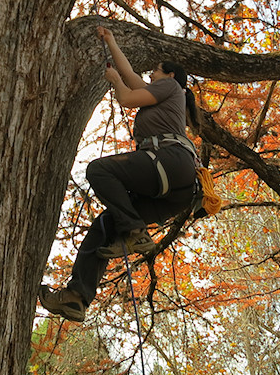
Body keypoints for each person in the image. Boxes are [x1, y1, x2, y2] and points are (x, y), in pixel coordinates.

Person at [38, 25, 200, 322]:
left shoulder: (173, 87)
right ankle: (76, 296)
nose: (150, 75)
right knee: (105, 225)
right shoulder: (161, 91)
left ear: (170, 75)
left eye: (155, 71)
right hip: (176, 191)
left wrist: (113, 81)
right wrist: (111, 42)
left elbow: (126, 96)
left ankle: (136, 231)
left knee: (99, 170)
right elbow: (130, 76)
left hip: (171, 162)